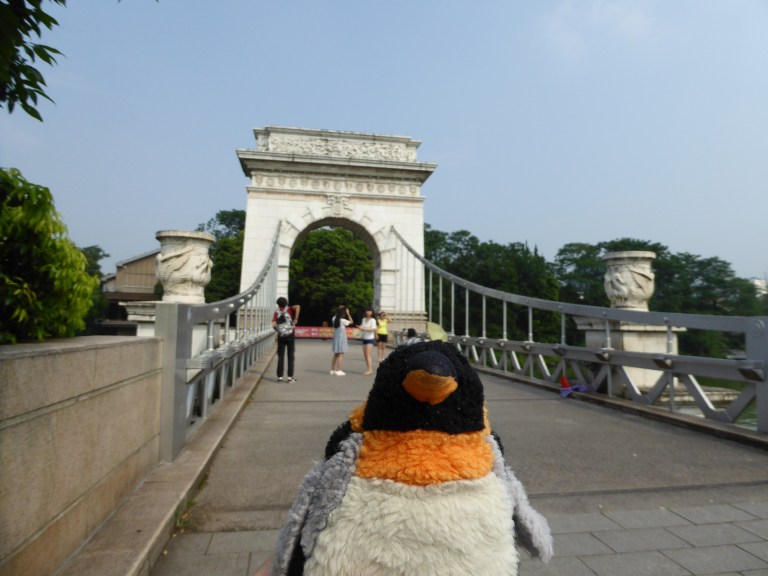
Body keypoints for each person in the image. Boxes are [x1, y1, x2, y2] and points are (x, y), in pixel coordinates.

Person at [272, 297, 300, 382]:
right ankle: (290, 377)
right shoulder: (290, 309)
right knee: (290, 356)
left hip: (281, 336)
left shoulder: (277, 312)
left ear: (278, 304)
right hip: (290, 335)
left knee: (281, 356)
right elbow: (298, 306)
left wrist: (278, 331)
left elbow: (273, 324)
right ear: (286, 303)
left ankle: (280, 377)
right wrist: (295, 318)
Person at [330, 305, 353, 375]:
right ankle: (338, 370)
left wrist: (340, 309)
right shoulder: (342, 320)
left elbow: (337, 315)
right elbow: (351, 322)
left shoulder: (334, 318)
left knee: (336, 354)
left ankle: (332, 370)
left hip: (336, 338)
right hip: (342, 338)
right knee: (341, 354)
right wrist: (348, 314)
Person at [359, 307, 377, 375]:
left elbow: (373, 329)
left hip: (370, 338)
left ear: (372, 312)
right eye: (367, 311)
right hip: (364, 338)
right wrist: (360, 327)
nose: (368, 312)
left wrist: (364, 328)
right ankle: (368, 368)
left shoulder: (373, 320)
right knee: (365, 355)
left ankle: (370, 369)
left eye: (370, 311)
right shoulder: (363, 319)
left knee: (368, 354)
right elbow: (362, 326)